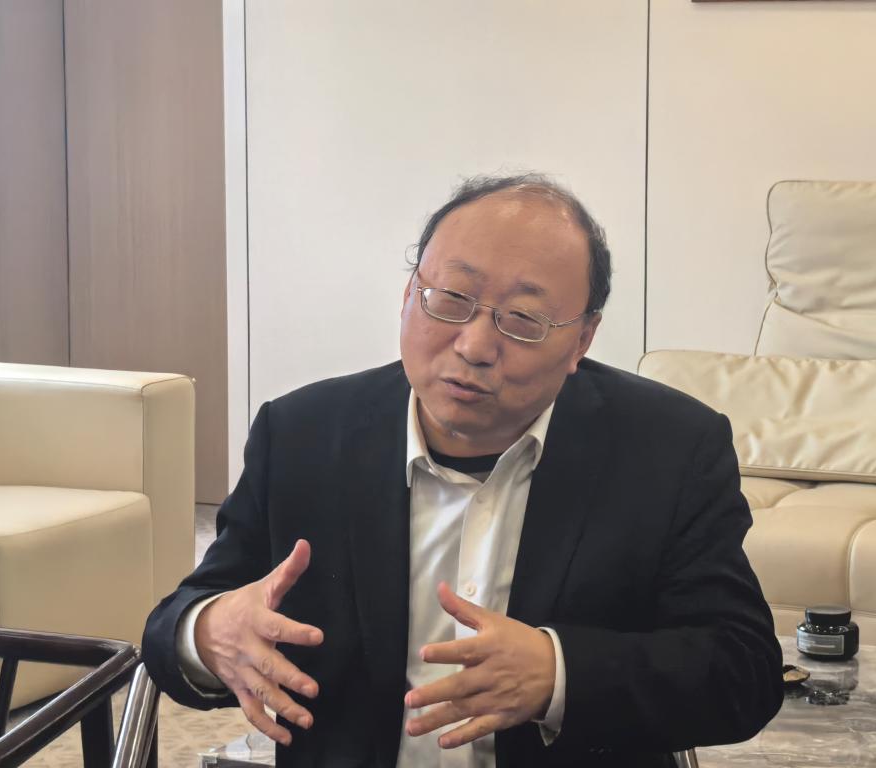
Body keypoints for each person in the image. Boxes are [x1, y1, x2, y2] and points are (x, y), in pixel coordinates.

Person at [142, 174, 783, 768]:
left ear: (582, 341)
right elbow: (176, 625)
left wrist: (558, 673)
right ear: (408, 295)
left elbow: (744, 671)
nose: (475, 346)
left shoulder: (669, 450)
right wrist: (209, 632)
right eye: (450, 300)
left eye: (524, 320)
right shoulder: (301, 434)